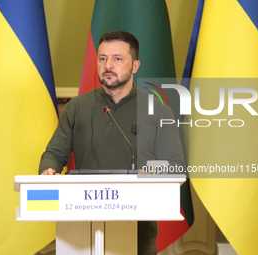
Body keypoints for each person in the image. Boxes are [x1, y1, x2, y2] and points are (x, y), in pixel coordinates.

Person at [39, 30, 185, 255]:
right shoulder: (77, 107)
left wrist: (150, 173)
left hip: (139, 229)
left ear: (135, 66)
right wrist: (48, 170)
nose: (108, 65)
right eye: (102, 58)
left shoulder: (157, 109)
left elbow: (176, 166)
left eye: (117, 59)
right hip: (81, 225)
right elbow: (54, 154)